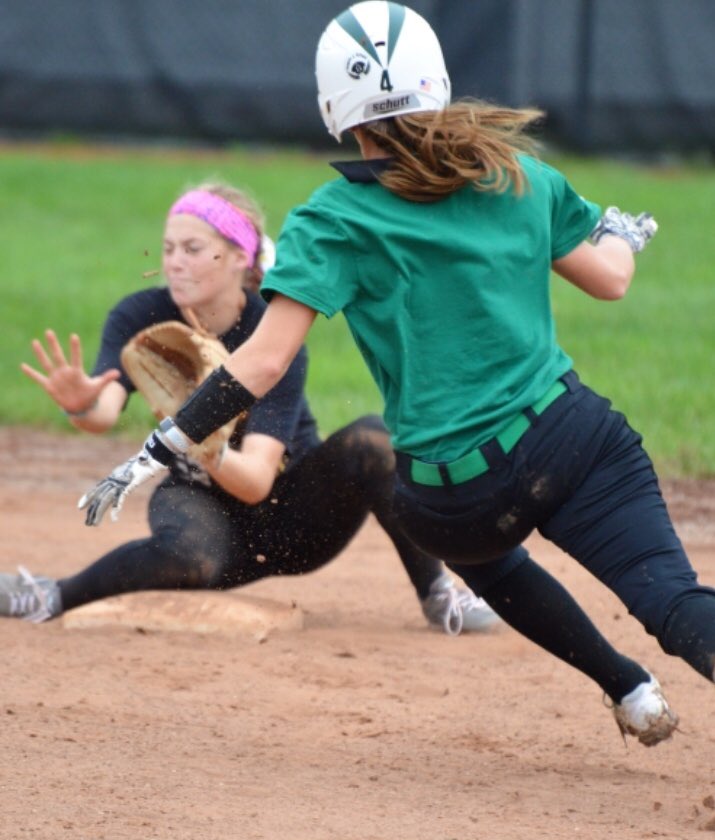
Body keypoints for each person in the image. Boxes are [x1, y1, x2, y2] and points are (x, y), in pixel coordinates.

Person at [76, 1, 713, 749]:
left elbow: (263, 360)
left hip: (451, 495)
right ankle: (644, 666)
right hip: (569, 441)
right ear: (436, 84)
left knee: (485, 558)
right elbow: (609, 281)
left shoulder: (331, 217)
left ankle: (628, 688)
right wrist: (617, 231)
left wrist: (155, 451)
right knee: (670, 600)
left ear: (330, 108)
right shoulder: (517, 174)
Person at [0, 178, 500, 635]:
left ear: (240, 257)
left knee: (374, 440)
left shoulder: (271, 330)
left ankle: (438, 594)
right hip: (201, 509)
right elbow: (105, 410)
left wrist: (204, 443)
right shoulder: (142, 313)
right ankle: (49, 594)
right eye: (170, 248)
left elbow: (259, 480)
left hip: (291, 518)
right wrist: (82, 405)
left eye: (194, 249)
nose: (174, 261)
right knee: (187, 557)